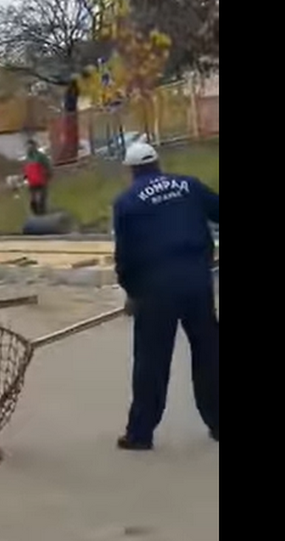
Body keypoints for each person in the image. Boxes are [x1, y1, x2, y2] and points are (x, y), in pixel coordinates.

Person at [113, 142, 219, 451]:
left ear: (131, 170)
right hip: (196, 280)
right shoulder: (189, 185)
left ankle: (140, 434)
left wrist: (132, 292)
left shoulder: (127, 201)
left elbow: (126, 255)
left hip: (155, 288)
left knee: (151, 361)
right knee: (209, 353)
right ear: (159, 163)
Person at [23, 139, 52, 215]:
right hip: (32, 182)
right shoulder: (27, 158)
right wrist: (25, 177)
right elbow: (26, 169)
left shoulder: (40, 156)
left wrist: (48, 175)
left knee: (41, 199)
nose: (29, 148)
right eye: (28, 146)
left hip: (41, 180)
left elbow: (47, 165)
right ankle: (37, 214)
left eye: (31, 146)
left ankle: (42, 213)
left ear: (34, 146)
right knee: (33, 201)